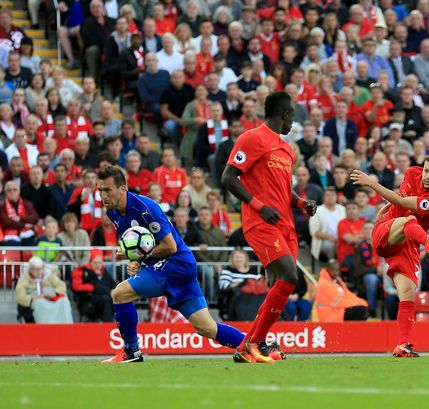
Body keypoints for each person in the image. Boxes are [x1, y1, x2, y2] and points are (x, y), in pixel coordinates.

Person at [97, 165, 246, 363]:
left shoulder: (146, 209)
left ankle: (131, 351)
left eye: (107, 190)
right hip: (173, 266)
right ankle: (255, 345)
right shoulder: (113, 212)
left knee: (119, 294)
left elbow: (170, 246)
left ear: (123, 189)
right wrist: (135, 260)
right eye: (100, 190)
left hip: (176, 263)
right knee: (206, 327)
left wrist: (140, 259)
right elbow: (139, 245)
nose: (103, 195)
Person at [221, 91, 317, 363]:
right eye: (292, 118)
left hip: (285, 225)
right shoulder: (251, 138)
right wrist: (258, 205)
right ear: (285, 114)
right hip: (261, 222)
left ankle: (249, 346)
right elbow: (228, 177)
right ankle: (255, 342)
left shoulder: (286, 149)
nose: (292, 124)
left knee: (281, 284)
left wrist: (301, 204)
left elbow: (285, 191)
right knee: (289, 276)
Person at [350, 153, 429, 358]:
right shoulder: (411, 172)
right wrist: (384, 201)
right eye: (426, 170)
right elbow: (400, 196)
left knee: (407, 292)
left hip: (407, 242)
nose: (427, 176)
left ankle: (403, 344)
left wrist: (373, 184)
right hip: (385, 232)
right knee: (409, 220)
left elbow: (401, 200)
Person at [15, 256, 73, 324]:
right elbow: (20, 295)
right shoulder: (24, 278)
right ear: (30, 269)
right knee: (40, 303)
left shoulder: (48, 275)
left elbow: (61, 286)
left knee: (64, 301)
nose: (39, 272)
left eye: (40, 269)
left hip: (50, 296)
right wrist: (33, 298)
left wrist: (54, 292)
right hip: (36, 298)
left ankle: (66, 328)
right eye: (36, 270)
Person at [71, 249, 116, 322]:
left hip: (104, 301)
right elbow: (95, 287)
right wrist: (110, 292)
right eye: (95, 262)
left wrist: (115, 292)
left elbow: (113, 285)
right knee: (106, 302)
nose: (97, 265)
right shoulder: (85, 272)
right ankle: (107, 326)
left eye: (99, 263)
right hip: (88, 301)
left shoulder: (105, 273)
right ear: (90, 262)